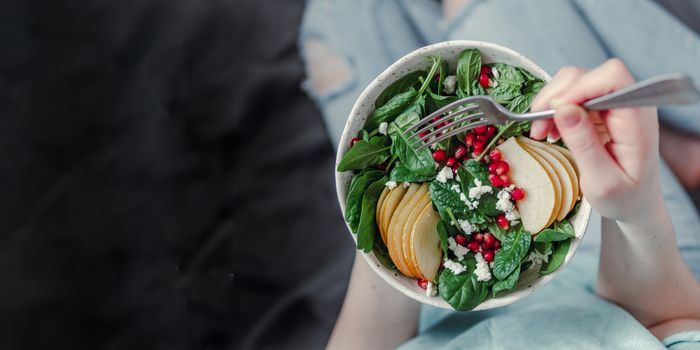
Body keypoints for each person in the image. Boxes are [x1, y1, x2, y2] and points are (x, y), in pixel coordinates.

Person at [300, 0, 700, 348]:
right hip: (630, 252)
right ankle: (663, 151)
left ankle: (666, 151)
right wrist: (634, 207)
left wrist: (387, 234)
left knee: (334, 17)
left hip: (411, 306)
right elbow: (667, 323)